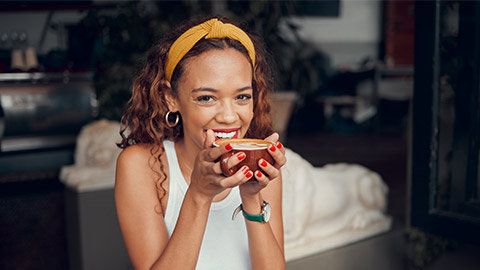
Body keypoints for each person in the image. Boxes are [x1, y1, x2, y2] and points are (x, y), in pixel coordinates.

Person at [115, 15, 286, 270]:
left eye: (242, 96)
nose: (229, 117)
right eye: (207, 98)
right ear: (170, 98)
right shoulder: (142, 166)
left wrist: (252, 196)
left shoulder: (263, 170)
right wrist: (199, 193)